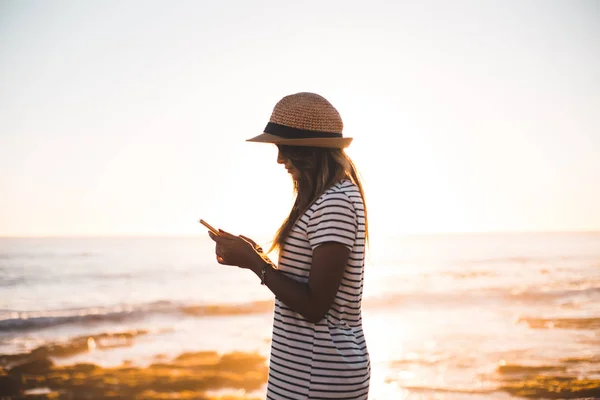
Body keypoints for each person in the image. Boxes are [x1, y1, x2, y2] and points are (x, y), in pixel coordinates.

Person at [207, 92, 370, 399]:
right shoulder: (323, 199)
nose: (279, 159)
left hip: (318, 375)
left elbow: (315, 306)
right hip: (308, 371)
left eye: (284, 148)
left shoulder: (334, 202)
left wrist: (256, 264)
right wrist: (255, 254)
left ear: (309, 150)